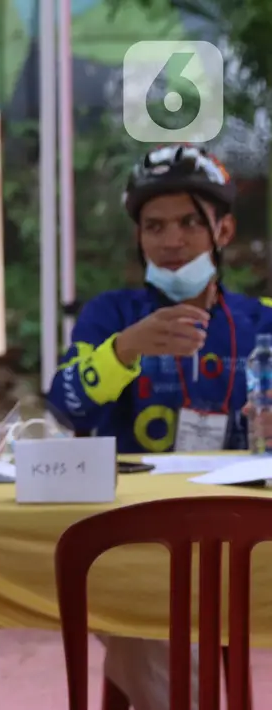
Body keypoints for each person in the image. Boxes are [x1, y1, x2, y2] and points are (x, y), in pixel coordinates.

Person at [46, 144, 272, 710]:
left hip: (244, 532)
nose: (171, 241)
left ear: (223, 229)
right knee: (160, 622)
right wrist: (123, 351)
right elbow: (66, 406)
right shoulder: (112, 316)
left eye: (190, 223)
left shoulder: (261, 320)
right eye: (154, 226)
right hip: (138, 540)